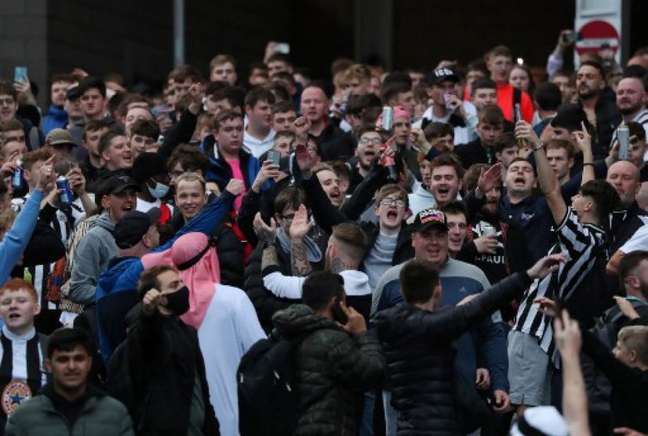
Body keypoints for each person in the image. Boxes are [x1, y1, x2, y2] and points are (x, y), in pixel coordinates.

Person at [373, 254, 563, 435]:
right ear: (438, 289)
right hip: (440, 427)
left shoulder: (387, 324)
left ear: (404, 291)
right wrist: (529, 275)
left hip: (407, 426)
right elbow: (485, 302)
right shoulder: (436, 325)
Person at [508, 120, 620, 413]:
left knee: (527, 414)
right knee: (541, 416)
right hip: (546, 336)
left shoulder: (578, 238)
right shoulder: (598, 237)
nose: (575, 197)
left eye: (580, 198)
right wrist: (586, 154)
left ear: (586, 208)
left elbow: (551, 191)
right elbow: (590, 192)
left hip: (533, 331)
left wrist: (537, 147)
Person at [373, 208, 509, 435]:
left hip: (464, 400)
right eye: (427, 235)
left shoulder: (474, 276)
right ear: (413, 239)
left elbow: (493, 332)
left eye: (440, 235)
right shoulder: (391, 280)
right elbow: (375, 338)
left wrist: (499, 381)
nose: (434, 242)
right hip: (407, 406)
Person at [141, 232, 265, 436]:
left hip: (191, 419)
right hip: (238, 415)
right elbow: (260, 353)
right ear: (210, 256)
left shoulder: (168, 307)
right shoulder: (234, 299)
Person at [107, 265, 220, 436]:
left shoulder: (186, 332)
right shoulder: (145, 335)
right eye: (174, 286)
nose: (183, 288)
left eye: (181, 282)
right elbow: (149, 340)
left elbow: (201, 388)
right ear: (160, 298)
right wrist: (148, 315)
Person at [271, 271, 385, 436]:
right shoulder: (333, 341)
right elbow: (373, 372)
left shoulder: (283, 331)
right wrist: (362, 334)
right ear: (335, 303)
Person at [5, 327, 135, 436]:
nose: (71, 367)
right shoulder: (23, 418)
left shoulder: (115, 414)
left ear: (89, 363)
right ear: (48, 365)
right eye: (63, 360)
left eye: (78, 359)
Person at [0, 279, 48, 430]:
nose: (13, 305)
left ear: (36, 308)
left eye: (21, 301)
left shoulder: (52, 347)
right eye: (6, 302)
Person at [575, 61, 622, 159]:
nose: (583, 80)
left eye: (589, 77)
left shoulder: (616, 111)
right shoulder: (568, 111)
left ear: (602, 83)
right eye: (579, 77)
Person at [243, 87, 276, 158]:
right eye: (264, 108)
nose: (269, 112)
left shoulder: (279, 138)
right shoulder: (238, 140)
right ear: (248, 109)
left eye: (272, 108)